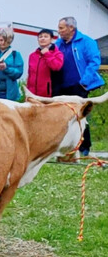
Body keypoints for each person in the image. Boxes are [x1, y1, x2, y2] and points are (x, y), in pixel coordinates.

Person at [54, 17, 104, 156]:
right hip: (62, 86)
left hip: (79, 86)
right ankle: (65, 146)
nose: (59, 31)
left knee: (80, 116)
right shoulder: (58, 43)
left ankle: (84, 146)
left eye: (61, 28)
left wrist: (84, 82)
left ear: (71, 28)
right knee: (63, 117)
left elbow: (94, 62)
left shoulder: (87, 42)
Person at [26, 28, 64, 98]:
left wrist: (47, 54)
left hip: (48, 94)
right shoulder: (32, 55)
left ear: (51, 39)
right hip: (32, 94)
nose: (42, 38)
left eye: (46, 36)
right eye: (40, 37)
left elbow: (56, 67)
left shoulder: (57, 54)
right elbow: (30, 75)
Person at [0, 26, 23, 101]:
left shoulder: (15, 54)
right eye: (1, 40)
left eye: (6, 41)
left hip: (8, 93)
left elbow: (18, 73)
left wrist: (6, 68)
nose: (3, 43)